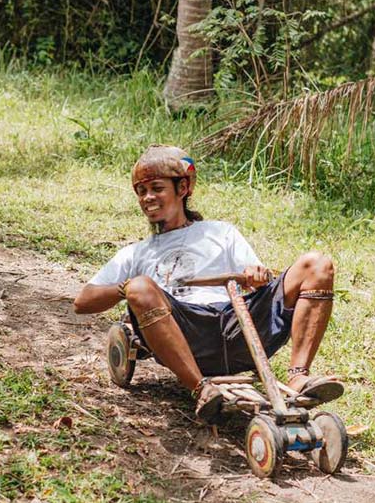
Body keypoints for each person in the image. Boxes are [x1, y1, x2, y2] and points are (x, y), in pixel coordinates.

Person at [73, 145, 343, 423]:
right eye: (141, 192)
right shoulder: (136, 253)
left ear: (183, 188)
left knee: (317, 264)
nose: (148, 198)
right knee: (141, 287)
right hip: (184, 332)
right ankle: (201, 388)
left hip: (236, 323)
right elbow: (82, 302)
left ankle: (298, 377)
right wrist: (126, 288)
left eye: (156, 188)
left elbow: (257, 280)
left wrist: (255, 275)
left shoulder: (220, 232)